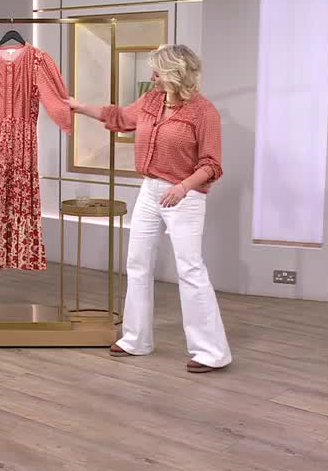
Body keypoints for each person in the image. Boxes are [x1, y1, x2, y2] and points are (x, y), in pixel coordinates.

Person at [67, 44, 232, 373]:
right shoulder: (151, 100)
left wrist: (183, 188)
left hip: (184, 195)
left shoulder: (203, 112)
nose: (152, 75)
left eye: (157, 70)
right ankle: (136, 339)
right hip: (150, 191)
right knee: (137, 263)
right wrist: (78, 107)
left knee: (190, 269)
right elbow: (118, 117)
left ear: (175, 73)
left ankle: (211, 352)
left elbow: (212, 164)